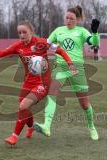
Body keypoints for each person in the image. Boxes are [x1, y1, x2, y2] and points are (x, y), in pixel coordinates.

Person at [0, 20, 77, 145]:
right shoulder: (18, 46)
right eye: (19, 33)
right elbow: (1, 53)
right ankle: (31, 126)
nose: (22, 35)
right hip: (27, 83)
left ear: (31, 32)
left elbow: (60, 50)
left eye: (24, 32)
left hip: (42, 84)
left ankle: (14, 136)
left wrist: (70, 64)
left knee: (23, 106)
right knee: (24, 109)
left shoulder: (41, 43)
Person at [34, 5, 100, 140]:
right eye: (67, 18)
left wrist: (94, 32)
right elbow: (46, 43)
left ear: (77, 20)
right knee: (51, 94)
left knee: (84, 103)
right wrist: (34, 46)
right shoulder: (58, 31)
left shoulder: (81, 31)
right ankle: (47, 126)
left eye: (71, 18)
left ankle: (92, 127)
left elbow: (94, 42)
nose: (68, 20)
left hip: (76, 69)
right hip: (61, 67)